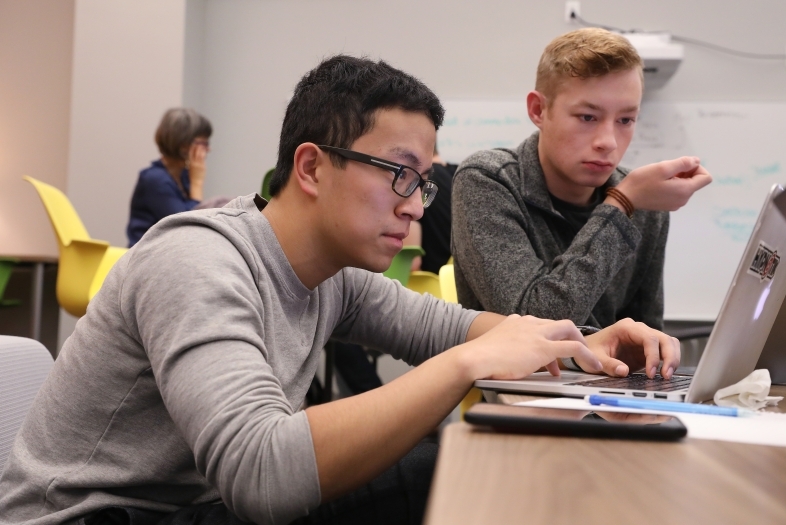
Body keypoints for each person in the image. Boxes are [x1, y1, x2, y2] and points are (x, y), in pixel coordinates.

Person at [0, 55, 681, 525]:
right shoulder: (199, 260)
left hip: (194, 507)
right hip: (95, 518)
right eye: (401, 174)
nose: (417, 205)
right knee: (447, 465)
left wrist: (582, 341)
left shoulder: (332, 277)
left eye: (426, 181)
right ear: (311, 167)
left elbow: (454, 329)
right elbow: (263, 473)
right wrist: (468, 366)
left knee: (463, 455)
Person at [451, 28, 713, 331]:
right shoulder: (487, 180)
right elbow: (536, 325)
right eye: (588, 117)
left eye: (625, 120)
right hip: (510, 378)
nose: (608, 142)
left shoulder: (642, 201)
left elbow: (645, 332)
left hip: (607, 378)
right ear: (539, 110)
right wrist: (621, 204)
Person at [126, 108, 212, 247]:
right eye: (204, 143)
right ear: (184, 144)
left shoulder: (183, 175)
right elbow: (189, 227)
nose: (208, 149)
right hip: (145, 261)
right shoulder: (155, 179)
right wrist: (197, 182)